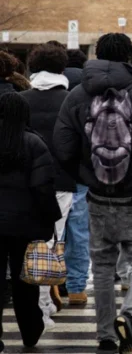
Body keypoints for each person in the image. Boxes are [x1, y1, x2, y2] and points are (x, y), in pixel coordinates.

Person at [53, 33, 132, 354]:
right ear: (129, 57)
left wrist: (88, 169)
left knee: (102, 266)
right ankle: (131, 316)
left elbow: (62, 148)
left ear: (97, 54)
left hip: (97, 197)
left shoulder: (78, 94)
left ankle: (106, 336)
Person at [20, 44, 77, 324]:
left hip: (23, 180)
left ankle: (33, 304)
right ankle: (42, 306)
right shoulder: (71, 100)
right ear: (62, 70)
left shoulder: (20, 100)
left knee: (24, 243)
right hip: (61, 180)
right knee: (49, 241)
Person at [0, 92, 62, 353]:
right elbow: (43, 188)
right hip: (25, 224)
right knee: (25, 279)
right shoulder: (34, 144)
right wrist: (51, 219)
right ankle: (30, 331)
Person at [62, 49, 91, 305]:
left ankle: (52, 281)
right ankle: (77, 287)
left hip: (52, 170)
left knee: (53, 231)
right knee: (80, 230)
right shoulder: (88, 90)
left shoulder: (31, 95)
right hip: (82, 170)